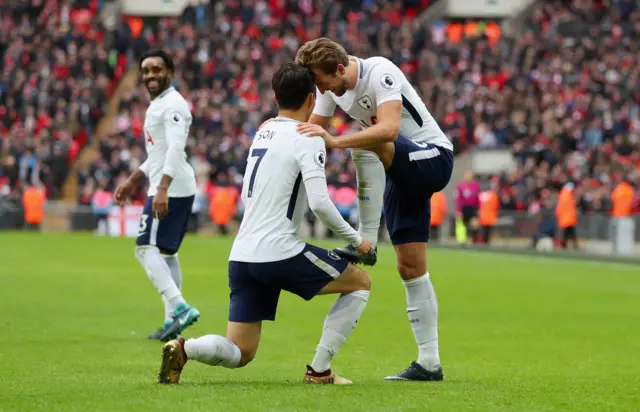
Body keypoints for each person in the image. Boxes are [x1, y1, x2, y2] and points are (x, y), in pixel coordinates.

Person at [157, 63, 372, 385]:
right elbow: (319, 203)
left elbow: (248, 192)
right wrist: (359, 241)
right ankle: (320, 371)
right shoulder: (308, 136)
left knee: (241, 351)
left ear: (275, 97)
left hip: (242, 256)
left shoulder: (264, 130)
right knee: (360, 283)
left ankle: (185, 348)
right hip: (279, 252)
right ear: (312, 100)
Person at [295, 38, 454, 381]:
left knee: (371, 139)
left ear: (340, 68)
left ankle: (365, 240)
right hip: (401, 172)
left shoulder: (380, 72)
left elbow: (389, 129)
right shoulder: (329, 86)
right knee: (410, 267)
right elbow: (311, 130)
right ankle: (429, 363)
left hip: (433, 158)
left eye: (322, 81)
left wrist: (336, 141)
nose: (321, 89)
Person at [114, 50, 200, 343]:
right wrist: (132, 181)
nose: (151, 75)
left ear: (171, 71)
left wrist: (162, 188)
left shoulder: (173, 104)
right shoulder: (159, 104)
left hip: (170, 187)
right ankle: (171, 321)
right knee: (166, 253)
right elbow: (158, 154)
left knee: (144, 249)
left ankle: (179, 307)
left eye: (157, 69)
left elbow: (176, 149)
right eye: (146, 71)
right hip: (174, 185)